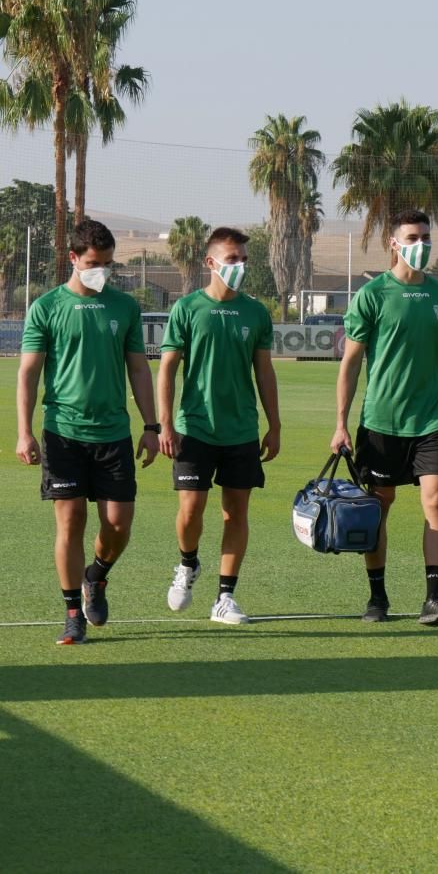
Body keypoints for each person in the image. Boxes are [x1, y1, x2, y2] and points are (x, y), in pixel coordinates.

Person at [15, 219, 160, 645]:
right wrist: (24, 432)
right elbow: (28, 374)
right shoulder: (46, 308)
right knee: (71, 520)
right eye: (94, 263)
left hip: (113, 433)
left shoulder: (125, 307)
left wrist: (151, 427)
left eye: (109, 264)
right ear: (73, 259)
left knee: (118, 525)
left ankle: (95, 577)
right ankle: (73, 614)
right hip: (63, 433)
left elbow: (138, 368)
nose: (102, 271)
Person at [330, 209, 438, 625]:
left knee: (436, 501)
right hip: (381, 423)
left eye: (426, 236)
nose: (420, 244)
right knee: (378, 508)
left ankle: (434, 598)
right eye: (412, 236)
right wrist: (340, 423)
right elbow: (350, 365)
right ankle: (377, 596)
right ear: (393, 243)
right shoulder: (372, 296)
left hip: (432, 422)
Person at [157, 227, 280, 624]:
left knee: (236, 513)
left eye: (244, 259)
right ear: (210, 263)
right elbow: (167, 370)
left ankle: (225, 597)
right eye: (232, 259)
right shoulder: (187, 309)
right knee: (191, 511)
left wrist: (274, 424)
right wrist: (164, 424)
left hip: (241, 430)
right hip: (194, 428)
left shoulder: (256, 313)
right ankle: (188, 564)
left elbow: (264, 373)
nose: (240, 265)